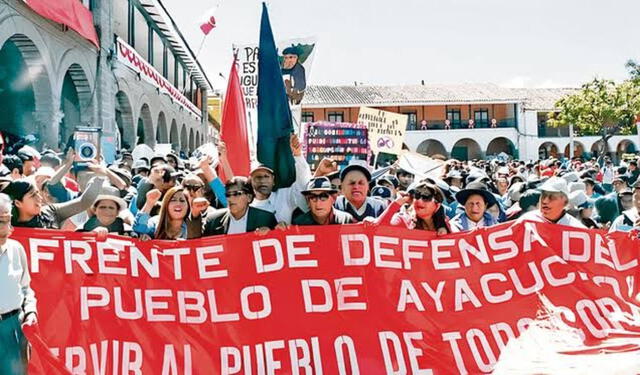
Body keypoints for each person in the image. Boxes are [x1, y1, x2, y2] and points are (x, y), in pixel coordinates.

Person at [0, 193, 37, 374]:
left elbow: (26, 288)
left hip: (12, 326)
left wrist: (30, 312)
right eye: (1, 221)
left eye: (7, 220)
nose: (6, 226)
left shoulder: (16, 249)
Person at [249, 134, 313, 224]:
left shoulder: (284, 196)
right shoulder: (248, 209)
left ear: (273, 180)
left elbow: (302, 184)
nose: (263, 180)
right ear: (251, 181)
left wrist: (298, 155)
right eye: (258, 177)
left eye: (266, 176)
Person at [191, 176, 279, 236]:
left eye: (236, 194)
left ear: (249, 197)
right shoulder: (213, 220)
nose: (231, 198)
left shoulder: (266, 219)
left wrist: (270, 235)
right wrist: (194, 214)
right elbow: (200, 246)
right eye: (228, 195)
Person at [5, 177, 103, 229]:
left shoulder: (50, 212)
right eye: (32, 195)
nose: (39, 198)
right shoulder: (6, 226)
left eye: (38, 193)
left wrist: (98, 178)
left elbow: (83, 202)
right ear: (18, 203)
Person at [376, 181, 450, 234]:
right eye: (417, 196)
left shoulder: (446, 225)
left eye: (426, 197)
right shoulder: (403, 220)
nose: (420, 200)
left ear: (437, 205)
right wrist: (397, 203)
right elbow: (377, 229)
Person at [518, 177, 585, 227]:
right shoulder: (526, 221)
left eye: (552, 197)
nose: (545, 201)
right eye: (543, 195)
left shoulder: (576, 228)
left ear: (565, 202)